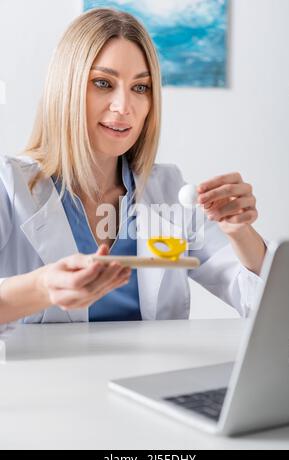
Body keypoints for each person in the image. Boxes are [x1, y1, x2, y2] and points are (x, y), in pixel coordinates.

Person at [0, 8, 267, 326]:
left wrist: (239, 231)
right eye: (102, 83)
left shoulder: (167, 188)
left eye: (140, 88)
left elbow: (267, 304)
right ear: (66, 90)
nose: (124, 107)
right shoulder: (10, 185)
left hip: (149, 376)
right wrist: (41, 288)